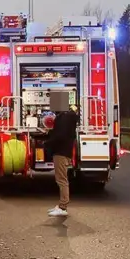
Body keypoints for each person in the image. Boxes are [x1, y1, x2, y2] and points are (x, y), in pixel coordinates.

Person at [44, 90, 80, 218]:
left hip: (61, 151)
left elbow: (60, 135)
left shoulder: (62, 118)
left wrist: (47, 142)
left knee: (62, 180)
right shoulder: (68, 117)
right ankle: (61, 205)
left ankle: (63, 206)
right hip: (64, 151)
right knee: (61, 179)